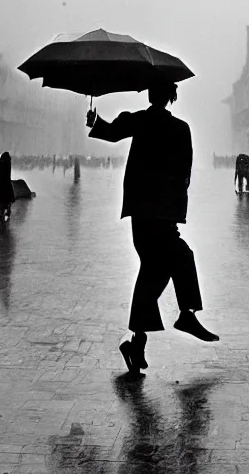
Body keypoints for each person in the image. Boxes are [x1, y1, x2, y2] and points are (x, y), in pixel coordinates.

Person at [86, 76, 219, 376]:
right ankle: (184, 315)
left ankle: (136, 343)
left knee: (153, 275)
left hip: (143, 213)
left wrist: (95, 121)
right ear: (172, 96)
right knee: (177, 260)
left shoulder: (140, 122)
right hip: (162, 212)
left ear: (149, 94)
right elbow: (186, 172)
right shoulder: (181, 129)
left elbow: (112, 131)